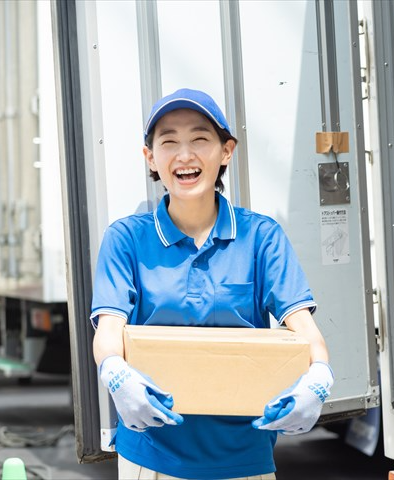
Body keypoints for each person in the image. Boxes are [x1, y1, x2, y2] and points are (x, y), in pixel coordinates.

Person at [91, 88, 334, 480]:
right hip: (152, 456)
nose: (185, 155)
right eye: (168, 141)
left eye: (200, 139)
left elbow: (306, 331)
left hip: (245, 456)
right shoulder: (127, 239)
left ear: (226, 151)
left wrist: (319, 376)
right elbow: (108, 331)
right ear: (150, 158)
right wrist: (114, 371)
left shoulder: (261, 237)